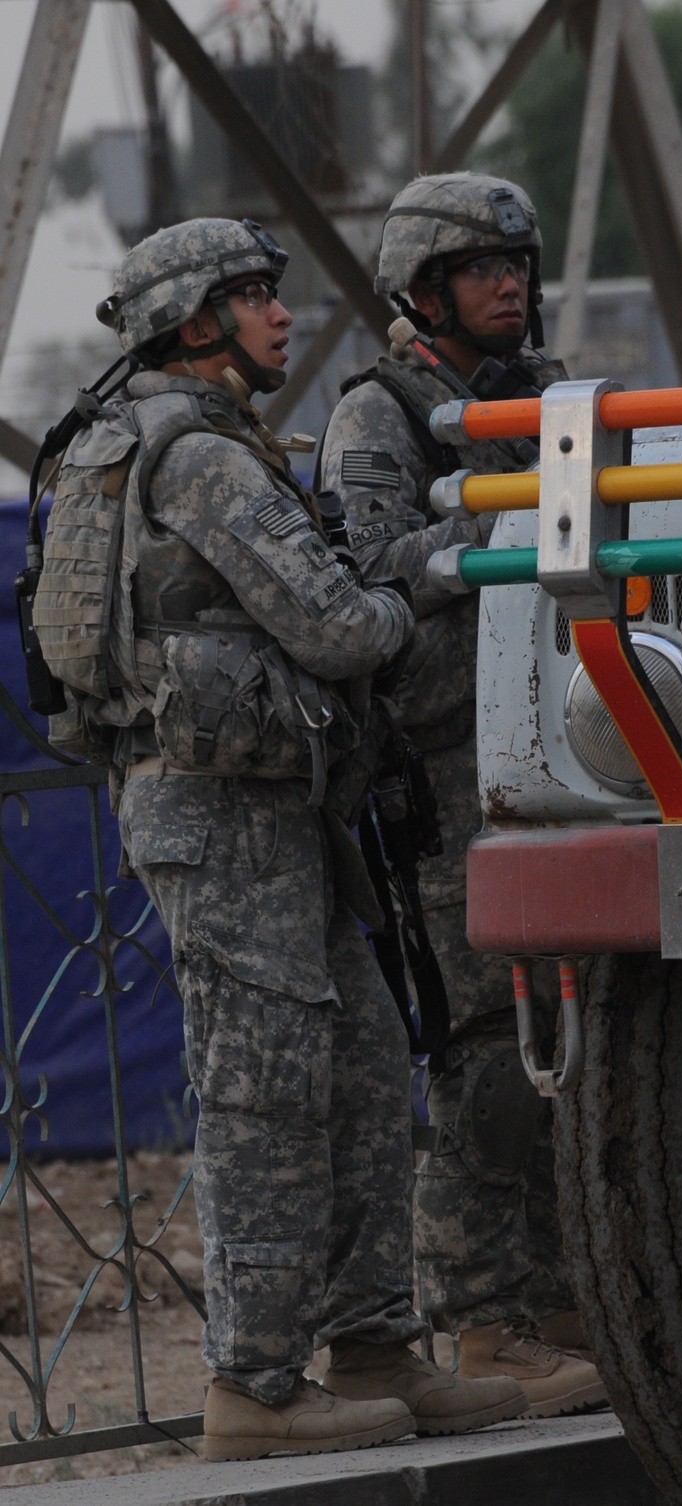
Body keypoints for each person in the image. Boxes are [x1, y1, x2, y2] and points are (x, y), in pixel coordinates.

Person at [38, 218, 526, 1462]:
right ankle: (252, 1385)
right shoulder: (200, 457)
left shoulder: (188, 441)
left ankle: (371, 1344)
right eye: (253, 295)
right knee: (264, 1094)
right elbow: (342, 627)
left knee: (362, 1062)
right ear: (195, 322)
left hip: (273, 806)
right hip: (220, 811)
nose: (279, 314)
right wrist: (428, 578)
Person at [318, 174, 606, 1416]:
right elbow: (363, 564)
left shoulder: (547, 395)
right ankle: (484, 1320)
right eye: (482, 268)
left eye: (518, 264)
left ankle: (554, 1296)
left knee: (569, 1031)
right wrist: (497, 526)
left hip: (564, 738)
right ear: (424, 289)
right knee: (482, 1047)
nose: (510, 286)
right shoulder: (381, 414)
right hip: (444, 764)